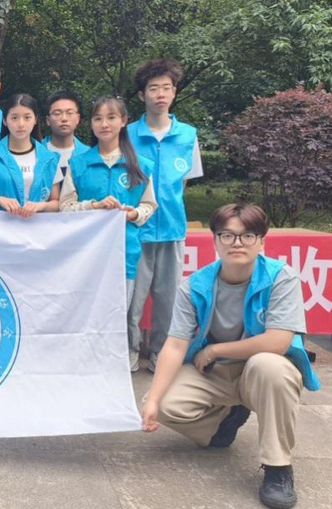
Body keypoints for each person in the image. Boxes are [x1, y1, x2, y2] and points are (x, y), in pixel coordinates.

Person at [141, 203, 320, 509]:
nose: (237, 243)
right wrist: (153, 401)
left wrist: (215, 350)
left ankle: (278, 468)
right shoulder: (194, 286)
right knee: (164, 405)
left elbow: (277, 341)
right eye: (227, 235)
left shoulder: (281, 277)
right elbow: (175, 345)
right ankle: (224, 422)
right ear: (215, 240)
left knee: (270, 367)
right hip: (216, 373)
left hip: (261, 368)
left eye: (247, 235)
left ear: (261, 241)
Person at [60, 96, 157, 371]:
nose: (105, 124)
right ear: (90, 124)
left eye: (111, 118)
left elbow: (149, 205)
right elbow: (65, 207)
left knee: (120, 310)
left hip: (125, 250)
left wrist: (132, 214)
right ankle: (85, 361)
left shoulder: (141, 165)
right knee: (86, 308)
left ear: (124, 121)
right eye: (98, 118)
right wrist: (93, 206)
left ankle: (117, 361)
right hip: (86, 253)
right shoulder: (79, 164)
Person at [127, 58, 204, 373]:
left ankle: (160, 351)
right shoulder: (127, 134)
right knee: (132, 299)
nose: (160, 94)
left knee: (168, 299)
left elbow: (183, 182)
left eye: (166, 88)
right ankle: (130, 350)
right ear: (142, 94)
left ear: (174, 92)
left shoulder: (188, 135)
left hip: (172, 228)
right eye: (153, 88)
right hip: (136, 230)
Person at [0, 94, 61, 218]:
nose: (21, 124)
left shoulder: (50, 158)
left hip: (39, 228)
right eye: (14, 118)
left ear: (35, 120)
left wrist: (42, 205)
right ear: (5, 121)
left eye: (27, 117)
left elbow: (57, 203)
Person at [42, 91, 89, 177]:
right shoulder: (36, 152)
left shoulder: (89, 155)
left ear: (78, 118)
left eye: (69, 113)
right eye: (57, 113)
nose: (64, 118)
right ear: (48, 120)